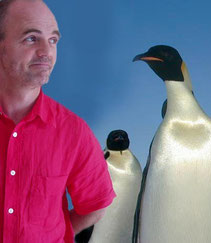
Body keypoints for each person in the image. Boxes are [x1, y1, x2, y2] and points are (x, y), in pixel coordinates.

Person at [0, 0, 116, 242]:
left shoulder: (73, 131)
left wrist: (53, 235)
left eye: (53, 40)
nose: (46, 52)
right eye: (31, 38)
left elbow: (95, 205)